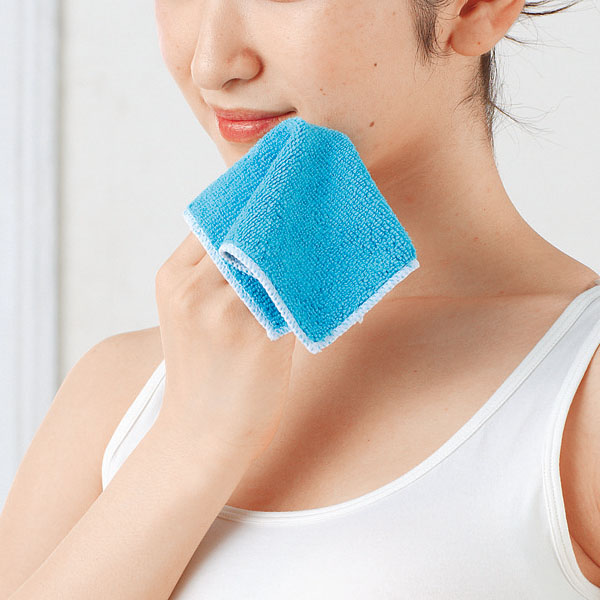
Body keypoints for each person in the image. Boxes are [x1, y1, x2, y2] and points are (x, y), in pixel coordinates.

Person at [1, 0, 599, 598]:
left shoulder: (579, 397)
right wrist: (188, 443)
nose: (212, 63)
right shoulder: (115, 397)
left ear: (473, 9)